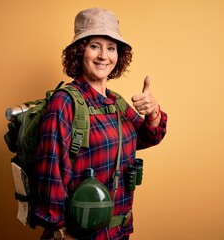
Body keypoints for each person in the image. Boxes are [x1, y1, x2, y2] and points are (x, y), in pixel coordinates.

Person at [34, 8, 167, 240]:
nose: (103, 56)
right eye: (94, 45)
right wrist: (62, 233)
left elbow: (148, 137)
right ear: (79, 51)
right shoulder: (64, 102)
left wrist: (153, 112)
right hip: (79, 236)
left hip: (118, 232)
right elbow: (51, 174)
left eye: (111, 48)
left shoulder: (116, 102)